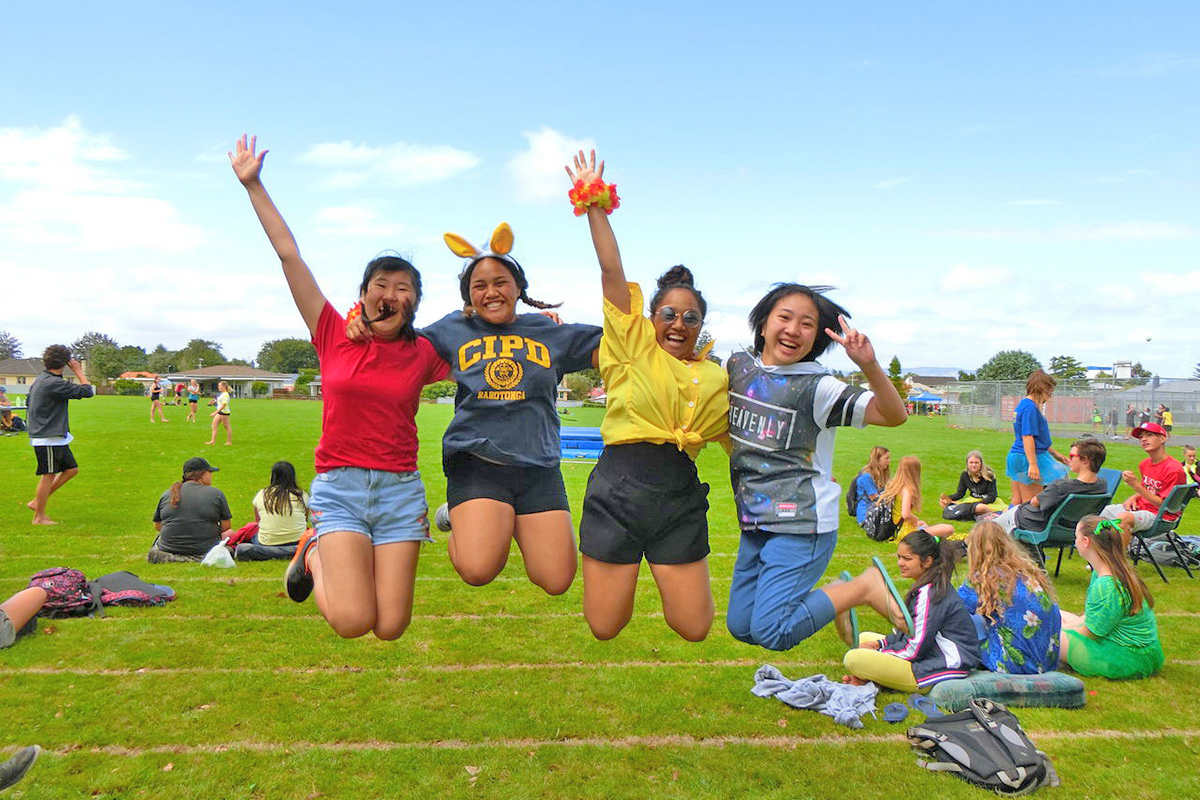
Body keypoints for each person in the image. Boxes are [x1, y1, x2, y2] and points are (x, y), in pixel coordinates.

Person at [231, 134, 450, 641]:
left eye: (403, 288)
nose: (390, 294)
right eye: (381, 285)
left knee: (391, 627)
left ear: (414, 302)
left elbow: (487, 346)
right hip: (341, 489)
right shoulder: (332, 331)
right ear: (364, 295)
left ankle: (317, 554)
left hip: (400, 492)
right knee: (354, 622)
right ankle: (310, 551)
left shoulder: (426, 351)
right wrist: (254, 185)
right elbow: (291, 258)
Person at [347, 222, 603, 598]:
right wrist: (362, 322)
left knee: (557, 579)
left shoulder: (550, 333)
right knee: (478, 569)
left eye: (500, 282)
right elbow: (397, 343)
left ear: (518, 288)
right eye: (479, 286)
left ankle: (487, 520)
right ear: (468, 294)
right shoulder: (453, 328)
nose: (491, 292)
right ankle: (459, 514)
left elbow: (618, 343)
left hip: (539, 464)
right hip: (477, 460)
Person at [566, 150, 727, 641]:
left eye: (691, 317)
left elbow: (738, 440)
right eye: (669, 314)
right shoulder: (631, 346)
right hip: (619, 489)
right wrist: (595, 205)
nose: (679, 324)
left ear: (701, 326)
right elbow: (611, 272)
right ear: (650, 318)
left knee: (695, 626)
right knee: (605, 625)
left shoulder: (716, 377)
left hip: (678, 494)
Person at [725, 283, 907, 652]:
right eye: (785, 317)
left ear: (815, 339)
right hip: (755, 520)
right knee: (741, 626)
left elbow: (894, 415)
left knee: (772, 631)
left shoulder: (819, 386)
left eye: (806, 324)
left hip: (802, 523)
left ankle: (863, 586)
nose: (793, 329)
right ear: (763, 324)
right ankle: (845, 594)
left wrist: (868, 364)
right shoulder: (738, 368)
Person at [836, 530, 982, 691]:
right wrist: (877, 644)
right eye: (899, 557)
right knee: (864, 639)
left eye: (907, 558)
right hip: (931, 651)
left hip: (947, 663)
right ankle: (869, 677)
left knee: (854, 658)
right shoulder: (927, 585)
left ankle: (869, 677)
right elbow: (908, 633)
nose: (900, 563)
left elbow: (914, 649)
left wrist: (879, 651)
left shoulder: (930, 593)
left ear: (927, 562)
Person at [1059, 516, 1163, 679]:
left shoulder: (1106, 584)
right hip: (1139, 651)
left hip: (1124, 657)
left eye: (1076, 538)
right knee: (1058, 615)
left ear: (1086, 541)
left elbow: (1091, 633)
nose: (1075, 542)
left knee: (1043, 635)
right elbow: (1091, 618)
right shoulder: (1111, 570)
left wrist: (1057, 633)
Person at [957, 521, 1062, 674]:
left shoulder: (982, 579)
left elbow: (953, 608)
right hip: (1046, 662)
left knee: (961, 625)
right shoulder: (1029, 573)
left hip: (1013, 666)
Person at [26, 345, 94, 525]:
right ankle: (38, 517)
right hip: (47, 435)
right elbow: (87, 391)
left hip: (54, 435)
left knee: (71, 470)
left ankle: (36, 503)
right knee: (48, 474)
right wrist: (79, 371)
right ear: (65, 363)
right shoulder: (53, 383)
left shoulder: (43, 379)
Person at [992, 438, 1108, 534]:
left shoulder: (1061, 487)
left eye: (1072, 456)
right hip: (1071, 529)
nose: (1069, 459)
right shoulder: (1102, 486)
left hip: (1034, 523)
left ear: (1085, 460)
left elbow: (1034, 502)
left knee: (990, 529)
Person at [1098, 422, 1186, 546]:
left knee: (1124, 518)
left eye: (1149, 435)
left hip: (1161, 516)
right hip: (1143, 508)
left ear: (1162, 438)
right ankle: (1102, 555)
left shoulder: (1173, 469)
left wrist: (1135, 485)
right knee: (1105, 511)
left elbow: (1165, 505)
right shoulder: (1145, 464)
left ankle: (1119, 562)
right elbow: (1149, 489)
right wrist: (1134, 497)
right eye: (1141, 437)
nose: (1144, 439)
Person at [147, 457, 232, 562]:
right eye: (209, 472)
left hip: (169, 549)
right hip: (204, 550)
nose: (211, 475)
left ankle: (173, 558)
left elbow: (158, 526)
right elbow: (226, 526)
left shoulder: (167, 494)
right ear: (202, 474)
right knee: (230, 537)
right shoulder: (216, 494)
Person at [1006, 370, 1068, 506]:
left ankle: (1002, 524)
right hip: (1026, 458)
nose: (1050, 396)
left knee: (1017, 503)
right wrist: (1033, 465)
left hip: (1018, 456)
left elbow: (1037, 438)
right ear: (1042, 388)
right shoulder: (1030, 408)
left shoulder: (1024, 404)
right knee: (1030, 505)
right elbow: (1028, 437)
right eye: (1049, 392)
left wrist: (1055, 453)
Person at [235, 460, 311, 561]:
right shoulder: (301, 495)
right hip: (297, 541)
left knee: (250, 539)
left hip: (267, 543)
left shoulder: (262, 494)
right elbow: (305, 520)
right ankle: (294, 552)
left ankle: (266, 552)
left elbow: (258, 522)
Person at [878, 456, 955, 539]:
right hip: (904, 531)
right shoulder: (908, 490)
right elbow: (905, 514)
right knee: (948, 529)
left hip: (895, 528)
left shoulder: (895, 485)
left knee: (923, 524)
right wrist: (915, 519)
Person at [939, 450, 1005, 520]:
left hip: (986, 502)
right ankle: (975, 514)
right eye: (971, 462)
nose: (974, 465)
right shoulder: (965, 474)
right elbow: (960, 493)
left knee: (980, 508)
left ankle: (972, 513)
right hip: (972, 500)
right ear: (967, 463)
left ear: (981, 463)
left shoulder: (989, 475)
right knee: (943, 503)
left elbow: (992, 496)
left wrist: (978, 504)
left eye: (976, 463)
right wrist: (948, 498)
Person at [854, 446, 891, 526]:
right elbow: (875, 499)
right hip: (866, 516)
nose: (889, 461)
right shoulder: (867, 477)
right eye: (886, 458)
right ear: (877, 460)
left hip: (877, 512)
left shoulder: (881, 475)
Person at [205, 381, 232, 445]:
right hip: (220, 412)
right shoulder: (222, 394)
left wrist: (215, 413)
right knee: (214, 425)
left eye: (220, 386)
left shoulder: (226, 394)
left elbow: (223, 406)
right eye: (218, 386)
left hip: (224, 412)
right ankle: (212, 441)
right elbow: (219, 402)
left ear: (224, 386)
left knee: (227, 427)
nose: (218, 387)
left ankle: (229, 442)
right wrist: (213, 402)